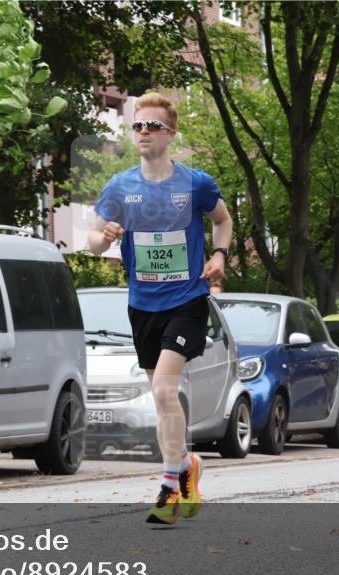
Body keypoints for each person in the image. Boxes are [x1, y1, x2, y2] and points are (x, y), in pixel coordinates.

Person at [87, 92, 233, 525]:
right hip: (142, 303)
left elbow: (221, 220)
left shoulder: (195, 183)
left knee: (166, 390)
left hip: (187, 299)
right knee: (159, 395)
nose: (144, 132)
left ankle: (170, 484)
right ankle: (187, 466)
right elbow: (93, 244)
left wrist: (220, 256)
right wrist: (106, 237)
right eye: (138, 126)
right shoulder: (120, 186)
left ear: (170, 134)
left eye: (153, 126)